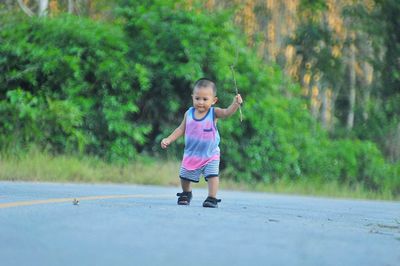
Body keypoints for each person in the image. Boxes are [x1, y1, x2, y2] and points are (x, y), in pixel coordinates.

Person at [161, 78, 243, 208]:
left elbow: (227, 113)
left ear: (213, 100)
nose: (200, 102)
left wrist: (235, 104)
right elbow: (181, 129)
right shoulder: (189, 113)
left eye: (205, 99)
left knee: (212, 175)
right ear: (193, 97)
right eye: (197, 98)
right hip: (192, 153)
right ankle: (186, 193)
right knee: (184, 176)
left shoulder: (213, 113)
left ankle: (212, 197)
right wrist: (168, 139)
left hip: (210, 154)